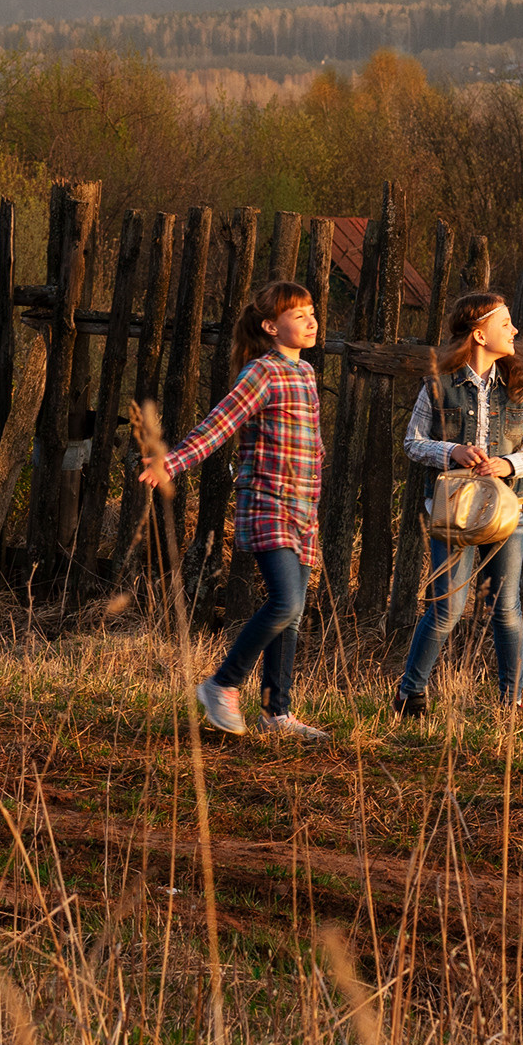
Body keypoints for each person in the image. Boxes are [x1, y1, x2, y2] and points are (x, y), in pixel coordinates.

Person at [140, 280, 328, 740]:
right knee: (284, 603)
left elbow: (312, 449)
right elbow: (218, 425)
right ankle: (221, 685)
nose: (309, 320)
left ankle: (276, 713)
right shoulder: (262, 372)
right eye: (296, 313)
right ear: (270, 326)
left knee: (295, 613)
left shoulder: (304, 374)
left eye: (311, 311)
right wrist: (173, 461)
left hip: (304, 511)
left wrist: (314, 510)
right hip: (268, 502)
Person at [396, 290, 523, 718]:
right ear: (479, 334)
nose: (515, 331)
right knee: (448, 610)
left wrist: (507, 463)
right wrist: (451, 452)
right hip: (453, 517)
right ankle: (411, 695)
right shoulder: (437, 386)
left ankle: (510, 702)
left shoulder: (517, 389)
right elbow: (412, 442)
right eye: (505, 324)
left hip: (506, 512)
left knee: (507, 610)